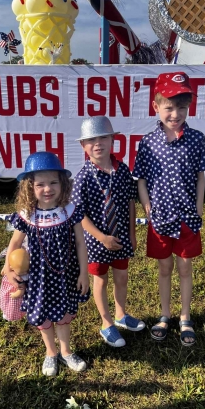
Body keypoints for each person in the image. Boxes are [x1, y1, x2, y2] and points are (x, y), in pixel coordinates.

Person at [132, 72, 205, 347]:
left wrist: (199, 208)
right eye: (169, 107)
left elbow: (201, 176)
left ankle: (185, 316)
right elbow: (141, 179)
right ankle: (165, 315)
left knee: (185, 268)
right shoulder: (147, 142)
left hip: (188, 218)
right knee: (164, 269)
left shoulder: (196, 138)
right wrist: (147, 206)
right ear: (156, 107)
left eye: (182, 107)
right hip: (160, 220)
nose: (175, 113)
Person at [0, 151, 90, 376]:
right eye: (40, 184)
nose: (47, 189)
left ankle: (66, 351)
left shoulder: (69, 211)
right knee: (43, 315)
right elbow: (15, 244)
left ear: (62, 184)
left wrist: (84, 273)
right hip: (39, 278)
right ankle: (51, 353)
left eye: (53, 182)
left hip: (65, 275)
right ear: (30, 187)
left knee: (63, 316)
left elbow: (80, 243)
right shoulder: (27, 215)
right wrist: (9, 270)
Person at [71, 116, 145, 348]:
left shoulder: (122, 170)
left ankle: (121, 315)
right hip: (96, 241)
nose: (98, 143)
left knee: (122, 277)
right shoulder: (82, 177)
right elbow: (79, 215)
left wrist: (132, 233)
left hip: (121, 235)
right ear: (83, 146)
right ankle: (106, 323)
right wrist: (101, 237)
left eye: (103, 137)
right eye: (91, 140)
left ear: (113, 140)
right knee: (100, 280)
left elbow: (131, 202)